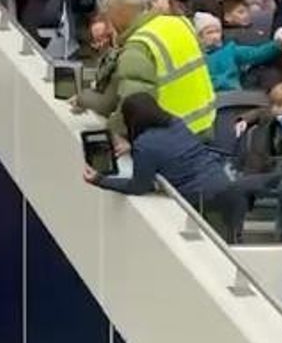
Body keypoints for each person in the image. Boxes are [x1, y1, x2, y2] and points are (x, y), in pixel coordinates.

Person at [83, 93, 245, 241]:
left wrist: (100, 180)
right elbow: (168, 148)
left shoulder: (144, 145)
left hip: (203, 198)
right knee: (230, 242)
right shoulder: (176, 123)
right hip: (225, 184)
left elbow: (139, 186)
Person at [88, 0, 217, 150]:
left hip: (171, 141)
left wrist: (117, 132)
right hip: (204, 127)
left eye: (109, 16)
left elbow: (134, 102)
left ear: (118, 12)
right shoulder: (181, 24)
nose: (109, 24)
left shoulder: (138, 46)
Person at [192, 11, 282, 93]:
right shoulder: (193, 57)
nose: (215, 36)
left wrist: (278, 44)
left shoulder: (230, 50)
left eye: (217, 31)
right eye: (209, 33)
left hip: (233, 94)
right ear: (199, 37)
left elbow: (256, 53)